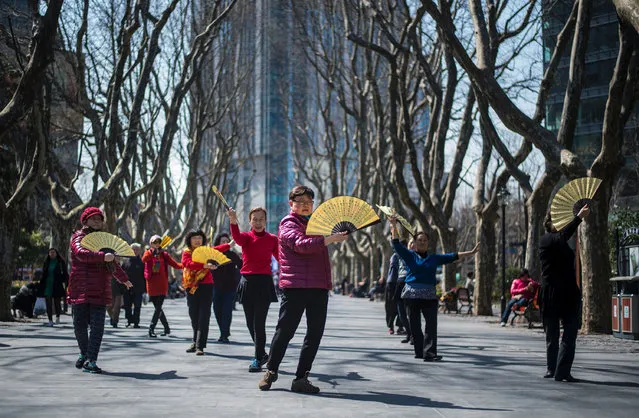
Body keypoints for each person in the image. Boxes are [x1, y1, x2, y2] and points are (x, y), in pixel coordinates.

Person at [258, 185, 348, 393]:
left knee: (315, 333)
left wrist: (332, 236)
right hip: (295, 287)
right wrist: (330, 239)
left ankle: (301, 378)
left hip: (318, 287)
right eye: (301, 202)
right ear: (292, 204)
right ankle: (271, 370)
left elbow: (317, 247)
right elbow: (301, 244)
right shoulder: (288, 223)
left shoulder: (319, 224)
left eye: (309, 202)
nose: (306, 206)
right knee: (285, 331)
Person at [389, 216, 478, 362]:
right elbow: (397, 245)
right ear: (415, 243)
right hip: (412, 296)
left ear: (428, 243)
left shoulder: (433, 258)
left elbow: (452, 256)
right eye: (420, 240)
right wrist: (393, 225)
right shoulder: (409, 255)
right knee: (415, 326)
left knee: (431, 325)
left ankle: (429, 353)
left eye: (425, 240)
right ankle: (419, 351)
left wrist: (471, 252)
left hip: (429, 297)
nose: (422, 242)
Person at [67, 207, 133, 373]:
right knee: (79, 326)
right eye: (93, 218)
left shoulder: (104, 241)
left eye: (99, 219)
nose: (97, 221)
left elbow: (112, 264)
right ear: (85, 221)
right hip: (80, 288)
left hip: (100, 289)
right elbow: (80, 253)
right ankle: (84, 353)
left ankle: (91, 360)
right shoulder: (78, 237)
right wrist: (101, 256)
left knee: (98, 327)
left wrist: (124, 279)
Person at [539, 204, 590, 382]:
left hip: (568, 293)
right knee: (551, 335)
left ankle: (562, 370)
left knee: (570, 332)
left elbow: (563, 237)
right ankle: (552, 368)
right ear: (550, 222)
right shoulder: (547, 239)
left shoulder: (561, 241)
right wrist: (578, 218)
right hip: (551, 293)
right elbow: (562, 236)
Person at [227, 207, 279, 372]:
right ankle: (262, 353)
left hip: (264, 283)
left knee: (259, 323)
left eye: (261, 219)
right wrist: (233, 220)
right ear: (250, 222)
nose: (258, 222)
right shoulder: (246, 238)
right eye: (254, 219)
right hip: (247, 282)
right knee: (250, 323)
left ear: (266, 221)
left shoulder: (273, 239)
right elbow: (236, 237)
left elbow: (281, 259)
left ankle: (257, 359)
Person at [181, 230, 229, 355]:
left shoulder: (206, 251)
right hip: (191, 286)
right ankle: (195, 340)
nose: (197, 240)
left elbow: (218, 249)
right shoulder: (186, 252)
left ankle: (200, 346)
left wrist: (231, 244)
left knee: (204, 315)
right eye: (194, 238)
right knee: (193, 315)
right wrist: (204, 265)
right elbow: (187, 263)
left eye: (199, 238)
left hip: (206, 286)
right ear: (189, 240)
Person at [142, 235, 183, 337]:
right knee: (158, 308)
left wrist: (187, 264)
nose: (157, 244)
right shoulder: (148, 253)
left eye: (158, 242)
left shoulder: (164, 255)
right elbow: (144, 259)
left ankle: (151, 329)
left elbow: (175, 264)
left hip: (162, 284)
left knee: (158, 307)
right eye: (154, 242)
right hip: (151, 283)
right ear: (151, 244)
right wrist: (152, 253)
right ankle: (167, 328)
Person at [212, 233, 242, 344]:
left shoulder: (233, 255)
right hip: (215, 286)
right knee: (217, 310)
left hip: (230, 287)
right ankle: (223, 330)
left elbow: (241, 265)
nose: (225, 243)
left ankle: (224, 334)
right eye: (222, 241)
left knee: (227, 311)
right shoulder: (213, 254)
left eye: (227, 241)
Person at [37, 248, 69, 326]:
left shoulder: (61, 262)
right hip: (47, 285)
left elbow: (65, 273)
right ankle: (50, 320)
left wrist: (66, 283)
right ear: (48, 254)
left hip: (57, 285)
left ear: (56, 253)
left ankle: (57, 316)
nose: (52, 254)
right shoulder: (46, 262)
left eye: (53, 252)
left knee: (57, 302)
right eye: (50, 252)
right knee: (48, 303)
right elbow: (43, 273)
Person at [396, 239, 415, 343]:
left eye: (414, 243)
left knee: (410, 312)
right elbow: (394, 243)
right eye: (410, 243)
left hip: (410, 283)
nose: (412, 245)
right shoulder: (402, 253)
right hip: (400, 282)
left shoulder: (417, 256)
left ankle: (413, 335)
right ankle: (409, 333)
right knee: (401, 313)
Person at [122, 243, 145, 328]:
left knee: (137, 306)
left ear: (139, 251)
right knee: (127, 306)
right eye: (133, 249)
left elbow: (144, 276)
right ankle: (129, 320)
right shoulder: (125, 261)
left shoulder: (142, 262)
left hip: (138, 288)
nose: (135, 251)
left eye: (137, 249)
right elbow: (121, 273)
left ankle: (136, 322)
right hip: (127, 288)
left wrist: (145, 289)